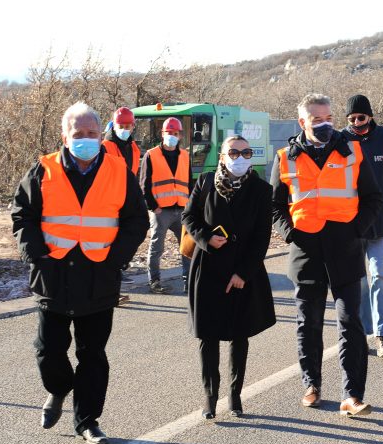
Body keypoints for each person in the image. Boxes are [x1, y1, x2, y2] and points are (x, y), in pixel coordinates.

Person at [11, 102, 148, 444]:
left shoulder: (119, 171)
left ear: (100, 135)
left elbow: (136, 221)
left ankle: (87, 421)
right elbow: (21, 216)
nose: (85, 139)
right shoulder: (43, 170)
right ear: (64, 136)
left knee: (92, 356)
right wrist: (37, 256)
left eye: (91, 134)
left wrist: (115, 258)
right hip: (53, 276)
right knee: (48, 350)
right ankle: (58, 390)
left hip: (98, 277)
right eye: (78, 134)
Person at [271, 93, 382, 416]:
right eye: (317, 119)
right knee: (309, 323)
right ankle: (312, 385)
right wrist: (290, 233)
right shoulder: (285, 157)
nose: (325, 124)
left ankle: (352, 395)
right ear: (302, 122)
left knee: (350, 322)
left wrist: (356, 229)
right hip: (305, 250)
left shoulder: (353, 152)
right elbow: (276, 205)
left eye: (328, 118)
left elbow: (374, 197)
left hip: (345, 246)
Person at [182, 135, 276, 419]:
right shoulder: (205, 181)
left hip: (242, 271)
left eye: (246, 152)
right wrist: (205, 237)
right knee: (207, 336)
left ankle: (235, 396)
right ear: (222, 156)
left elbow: (262, 236)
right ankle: (210, 397)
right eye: (233, 152)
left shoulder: (261, 189)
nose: (240, 157)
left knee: (239, 335)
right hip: (208, 268)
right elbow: (189, 217)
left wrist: (243, 273)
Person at [341, 94, 383, 359]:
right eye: (351, 119)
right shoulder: (340, 140)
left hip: (382, 222)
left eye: (361, 117)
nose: (357, 122)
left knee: (380, 275)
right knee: (357, 280)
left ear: (370, 115)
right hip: (350, 223)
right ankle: (361, 333)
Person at [139, 117, 194, 294]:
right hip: (161, 211)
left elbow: (189, 183)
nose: (172, 136)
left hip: (182, 209)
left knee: (187, 246)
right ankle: (154, 282)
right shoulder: (151, 154)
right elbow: (144, 184)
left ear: (180, 135)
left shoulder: (185, 155)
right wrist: (152, 206)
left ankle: (189, 281)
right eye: (169, 133)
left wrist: (191, 206)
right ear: (163, 134)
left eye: (175, 133)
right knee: (157, 247)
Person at [102, 106, 143, 298]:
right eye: (121, 125)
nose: (125, 129)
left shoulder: (134, 148)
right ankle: (111, 282)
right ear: (114, 125)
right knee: (108, 239)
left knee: (124, 238)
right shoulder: (105, 146)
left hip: (126, 199)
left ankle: (117, 272)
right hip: (109, 199)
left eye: (128, 125)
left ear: (133, 126)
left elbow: (132, 175)